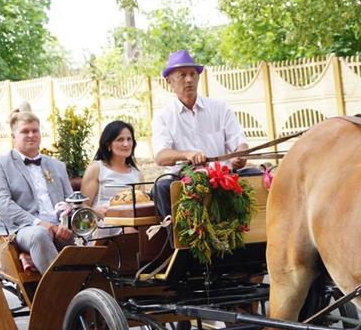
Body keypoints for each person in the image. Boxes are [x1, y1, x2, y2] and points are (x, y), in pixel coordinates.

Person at [151, 49, 249, 219]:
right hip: (183, 180)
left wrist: (240, 155)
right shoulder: (163, 116)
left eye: (193, 74)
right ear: (169, 81)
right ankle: (181, 244)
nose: (189, 79)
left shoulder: (220, 108)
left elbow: (240, 142)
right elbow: (160, 156)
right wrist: (187, 154)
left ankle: (256, 243)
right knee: (160, 187)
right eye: (182, 75)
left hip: (223, 178)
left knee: (256, 176)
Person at [0, 104, 74, 273]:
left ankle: (100, 288)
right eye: (25, 131)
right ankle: (59, 290)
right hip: (24, 228)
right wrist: (40, 223)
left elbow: (70, 200)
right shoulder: (0, 164)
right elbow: (0, 202)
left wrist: (65, 222)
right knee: (40, 235)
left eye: (35, 131)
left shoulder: (56, 165)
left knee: (101, 233)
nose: (31, 135)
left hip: (60, 225)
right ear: (13, 136)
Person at [81, 120, 144, 216]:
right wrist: (96, 212)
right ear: (108, 145)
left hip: (129, 225)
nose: (126, 144)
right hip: (102, 224)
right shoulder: (97, 169)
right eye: (120, 140)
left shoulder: (137, 174)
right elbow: (82, 205)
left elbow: (142, 208)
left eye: (129, 139)